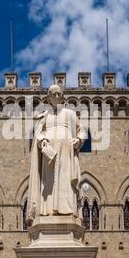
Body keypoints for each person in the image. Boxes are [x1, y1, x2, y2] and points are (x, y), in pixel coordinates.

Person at [27, 84, 86, 224]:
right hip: (49, 155)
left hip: (67, 152)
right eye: (53, 94)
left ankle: (67, 209)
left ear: (62, 96)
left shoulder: (70, 114)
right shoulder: (45, 116)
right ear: (49, 98)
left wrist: (77, 140)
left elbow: (82, 131)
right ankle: (47, 211)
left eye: (59, 94)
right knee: (49, 183)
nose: (57, 96)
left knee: (66, 180)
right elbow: (38, 133)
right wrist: (42, 142)